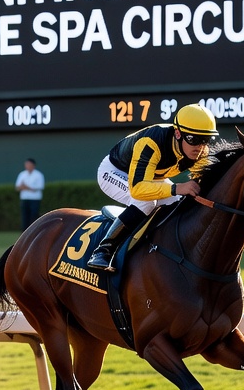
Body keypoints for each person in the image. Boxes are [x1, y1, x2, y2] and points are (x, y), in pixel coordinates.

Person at [88, 104, 218, 271]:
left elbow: (202, 184)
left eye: (206, 140)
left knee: (179, 202)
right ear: (178, 133)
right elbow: (138, 188)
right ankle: (103, 251)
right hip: (115, 171)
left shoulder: (200, 151)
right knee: (146, 203)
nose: (200, 147)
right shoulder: (152, 142)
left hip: (151, 177)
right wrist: (176, 188)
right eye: (194, 139)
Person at [15, 158, 45, 230]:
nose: (27, 166)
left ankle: (34, 231)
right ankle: (24, 233)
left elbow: (39, 187)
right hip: (24, 198)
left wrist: (26, 187)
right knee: (24, 217)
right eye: (26, 164)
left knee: (34, 216)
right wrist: (26, 188)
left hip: (34, 199)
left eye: (29, 164)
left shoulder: (38, 175)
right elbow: (17, 187)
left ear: (33, 165)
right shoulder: (22, 174)